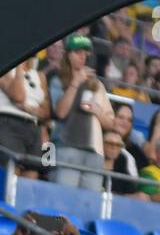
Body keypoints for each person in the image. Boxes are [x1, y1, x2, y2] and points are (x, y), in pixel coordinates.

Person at [52, 36, 116, 191]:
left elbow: (110, 122)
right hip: (67, 147)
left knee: (89, 203)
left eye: (86, 53)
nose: (83, 56)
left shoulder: (96, 85)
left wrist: (97, 111)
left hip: (94, 150)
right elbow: (60, 113)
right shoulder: (58, 80)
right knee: (64, 197)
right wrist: (76, 82)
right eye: (77, 52)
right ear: (68, 55)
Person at [0, 55, 49, 178]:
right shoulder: (5, 68)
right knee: (11, 173)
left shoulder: (40, 75)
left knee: (31, 175)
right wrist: (18, 67)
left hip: (33, 126)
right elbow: (18, 96)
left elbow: (46, 111)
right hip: (8, 122)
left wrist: (30, 109)